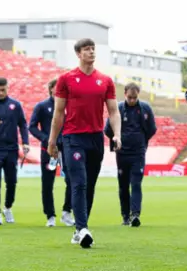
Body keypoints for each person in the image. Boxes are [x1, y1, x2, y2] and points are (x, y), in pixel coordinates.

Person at [47, 38, 121, 248]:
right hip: (73, 138)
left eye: (93, 49)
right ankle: (83, 229)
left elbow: (114, 111)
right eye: (87, 49)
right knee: (78, 182)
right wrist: (52, 141)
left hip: (96, 138)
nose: (91, 52)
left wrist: (117, 135)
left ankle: (79, 227)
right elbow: (59, 113)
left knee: (90, 186)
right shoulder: (66, 79)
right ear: (78, 54)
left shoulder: (105, 80)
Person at [105, 82, 156, 227]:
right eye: (129, 97)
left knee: (136, 183)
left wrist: (141, 141)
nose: (132, 100)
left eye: (134, 98)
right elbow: (108, 129)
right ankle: (125, 216)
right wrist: (117, 140)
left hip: (138, 153)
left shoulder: (145, 109)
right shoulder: (118, 109)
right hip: (122, 153)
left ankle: (135, 215)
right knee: (123, 185)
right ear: (125, 93)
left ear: (138, 94)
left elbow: (152, 129)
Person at [0, 77, 30, 225]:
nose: (1, 92)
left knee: (12, 182)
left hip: (12, 149)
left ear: (7, 88)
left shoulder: (15, 105)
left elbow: (22, 124)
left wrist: (26, 142)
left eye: (3, 90)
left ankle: (7, 207)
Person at [29, 78, 75, 227]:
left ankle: (67, 212)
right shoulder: (42, 106)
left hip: (67, 149)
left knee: (72, 181)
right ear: (51, 90)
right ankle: (50, 216)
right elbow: (32, 126)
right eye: (58, 88)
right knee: (47, 183)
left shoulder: (70, 106)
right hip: (48, 150)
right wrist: (46, 139)